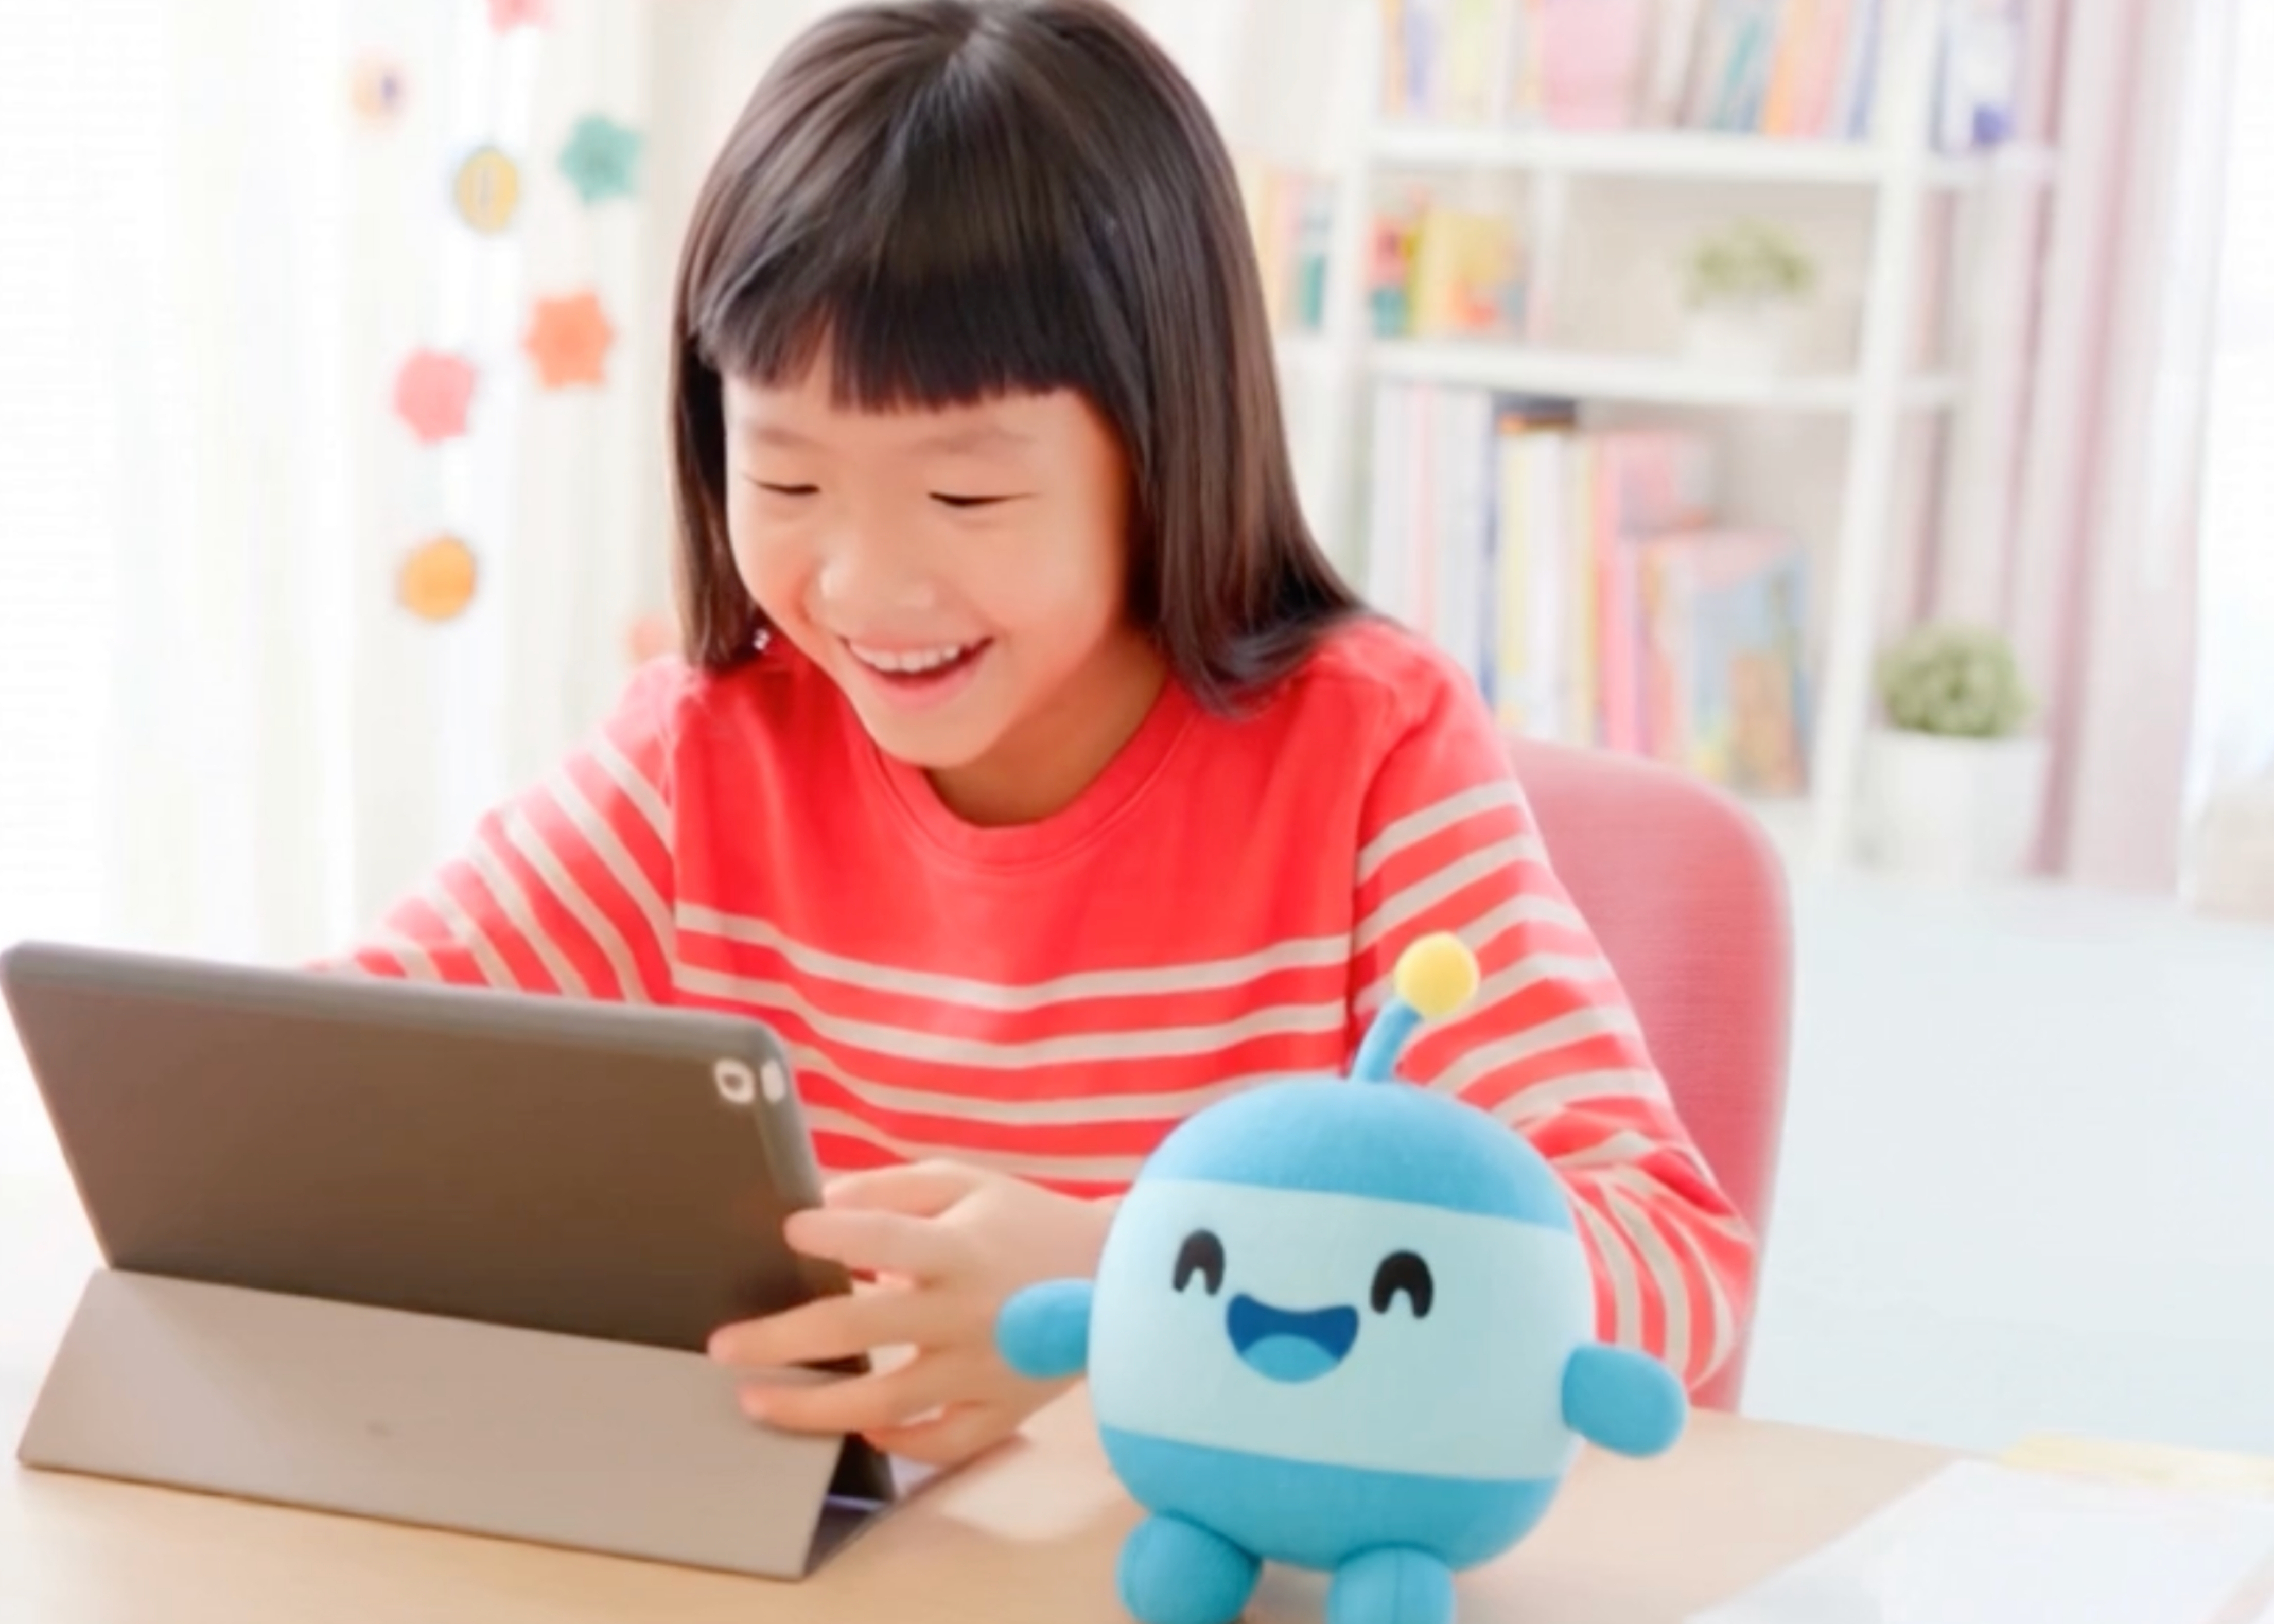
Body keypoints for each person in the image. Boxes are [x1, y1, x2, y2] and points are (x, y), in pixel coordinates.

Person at [337, 0, 1756, 1468]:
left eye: (965, 499)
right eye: (787, 479)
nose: (863, 585)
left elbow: (1661, 1265)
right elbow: (313, 1091)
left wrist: (1128, 1284)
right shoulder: (703, 762)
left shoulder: (1366, 762)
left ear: (1164, 447)